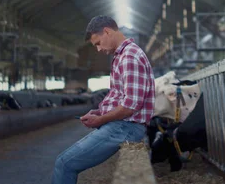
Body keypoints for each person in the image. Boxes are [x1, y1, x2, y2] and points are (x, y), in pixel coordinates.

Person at [51, 15, 155, 184]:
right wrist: (100, 111)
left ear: (106, 31)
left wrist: (101, 119)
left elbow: (130, 106)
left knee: (64, 164)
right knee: (64, 162)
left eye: (98, 43)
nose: (99, 49)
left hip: (125, 127)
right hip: (123, 125)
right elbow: (122, 97)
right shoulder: (122, 56)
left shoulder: (129, 56)